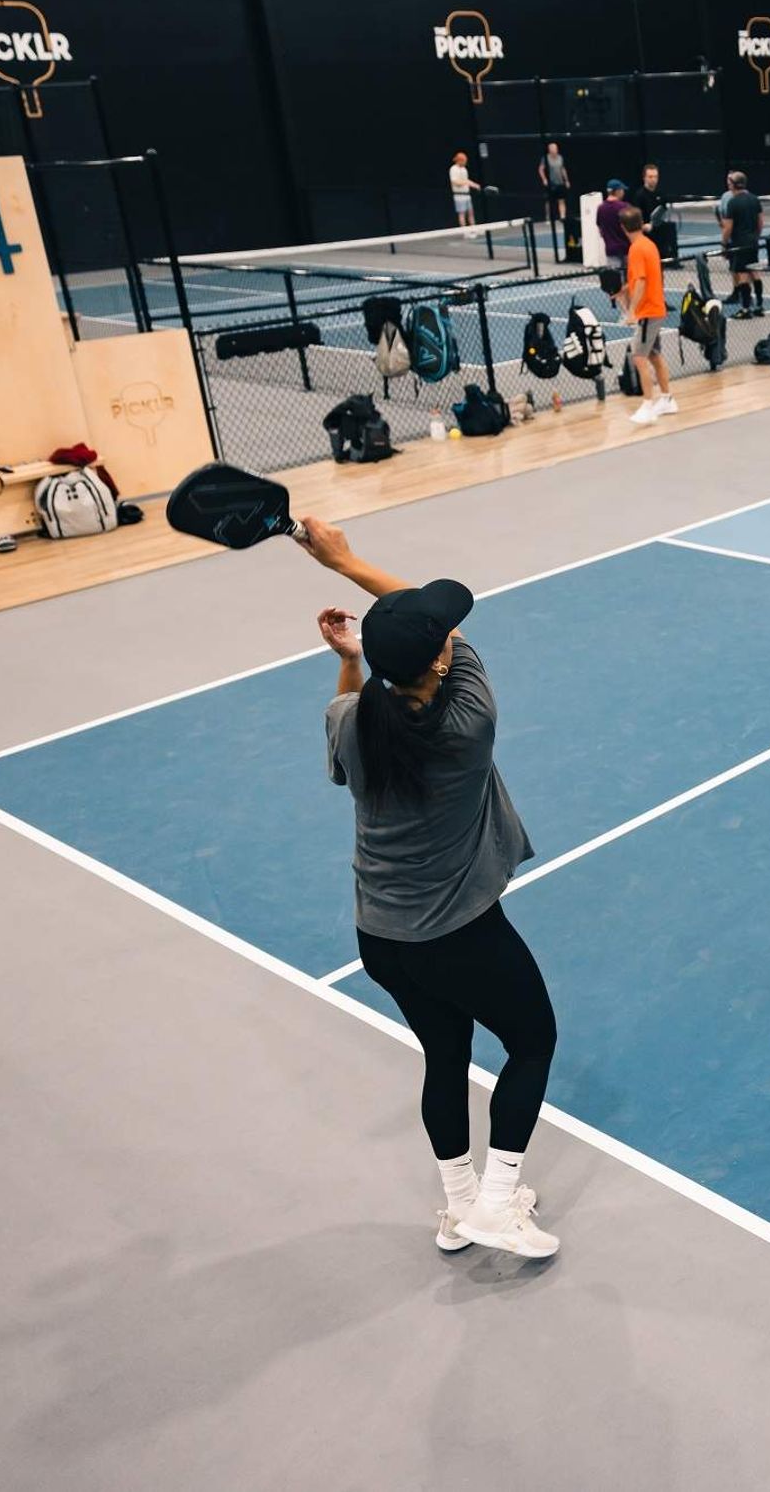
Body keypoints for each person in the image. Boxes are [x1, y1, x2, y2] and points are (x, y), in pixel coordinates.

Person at [301, 518, 559, 1260]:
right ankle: (498, 1204)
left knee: (444, 1056)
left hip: (381, 939)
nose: (452, 635)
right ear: (442, 658)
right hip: (459, 935)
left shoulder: (354, 718)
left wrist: (354, 660)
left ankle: (457, 1208)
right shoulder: (469, 720)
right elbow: (422, 612)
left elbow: (348, 724)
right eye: (444, 636)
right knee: (533, 1041)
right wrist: (345, 560)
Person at [618, 209, 676, 425]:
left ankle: (647, 405)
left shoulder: (636, 249)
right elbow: (642, 278)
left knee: (639, 357)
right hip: (656, 308)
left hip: (648, 312)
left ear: (622, 228)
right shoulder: (648, 244)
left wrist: (632, 311)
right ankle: (667, 399)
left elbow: (641, 281)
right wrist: (625, 289)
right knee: (653, 355)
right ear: (641, 224)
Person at [719, 170, 764, 318]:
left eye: (730, 182)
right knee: (755, 272)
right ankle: (759, 305)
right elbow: (760, 222)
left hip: (739, 244)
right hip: (752, 242)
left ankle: (745, 308)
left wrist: (724, 244)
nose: (728, 185)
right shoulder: (754, 199)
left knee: (743, 274)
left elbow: (728, 227)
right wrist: (755, 236)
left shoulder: (732, 203)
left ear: (734, 185)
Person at [536, 141, 571, 254]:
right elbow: (540, 169)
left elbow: (562, 169)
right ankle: (548, 218)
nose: (555, 150)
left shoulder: (560, 158)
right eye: (553, 148)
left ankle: (562, 217)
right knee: (549, 202)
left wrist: (566, 180)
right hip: (551, 184)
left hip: (560, 183)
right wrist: (544, 179)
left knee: (562, 201)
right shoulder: (545, 158)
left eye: (556, 148)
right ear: (549, 150)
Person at [596, 178, 632, 279]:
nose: (623, 192)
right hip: (627, 249)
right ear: (618, 191)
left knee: (615, 282)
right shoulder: (624, 207)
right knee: (630, 280)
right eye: (622, 190)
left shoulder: (601, 208)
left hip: (611, 250)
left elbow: (600, 229)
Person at [447, 151, 482, 229]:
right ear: (459, 160)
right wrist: (465, 182)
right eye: (464, 161)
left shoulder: (464, 169)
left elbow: (467, 180)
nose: (465, 163)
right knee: (462, 214)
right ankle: (464, 232)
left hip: (467, 194)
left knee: (471, 212)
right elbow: (455, 182)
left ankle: (474, 229)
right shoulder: (453, 169)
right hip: (459, 196)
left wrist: (475, 185)